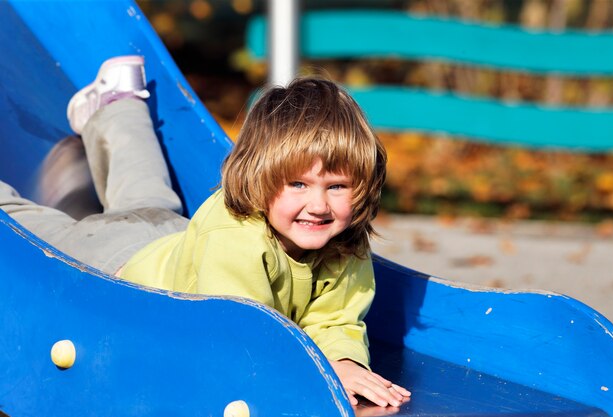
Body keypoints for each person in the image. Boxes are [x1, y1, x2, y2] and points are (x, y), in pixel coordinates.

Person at [0, 56, 410, 408]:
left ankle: (116, 105)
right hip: (114, 264)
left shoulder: (344, 242)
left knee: (144, 194)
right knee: (29, 229)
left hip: (167, 235)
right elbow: (241, 337)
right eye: (299, 185)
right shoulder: (235, 240)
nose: (319, 205)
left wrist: (343, 361)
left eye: (337, 187)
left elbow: (337, 319)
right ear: (260, 178)